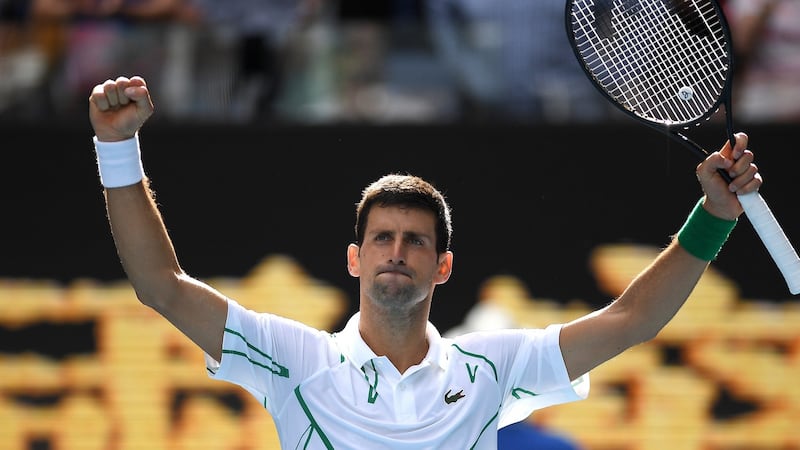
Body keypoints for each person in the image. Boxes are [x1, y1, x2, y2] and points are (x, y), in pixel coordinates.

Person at [87, 75, 762, 449]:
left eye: (415, 241)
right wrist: (118, 151)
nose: (397, 252)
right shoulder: (294, 361)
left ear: (443, 268)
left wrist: (715, 217)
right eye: (382, 238)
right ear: (354, 259)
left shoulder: (491, 370)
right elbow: (161, 287)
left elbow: (633, 317)